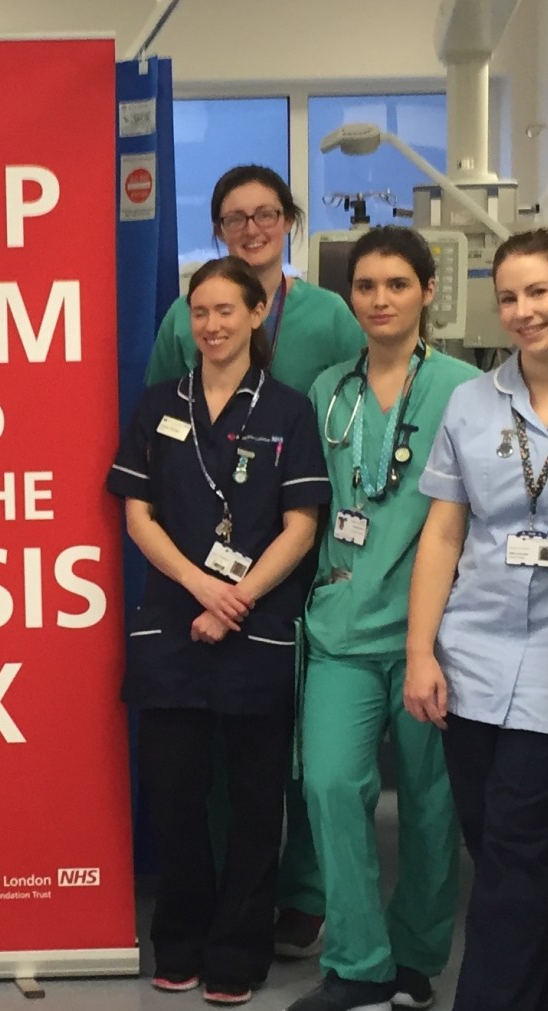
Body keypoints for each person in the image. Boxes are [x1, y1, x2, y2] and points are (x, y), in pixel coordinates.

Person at [143, 163, 359, 957]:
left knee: (295, 742)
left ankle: (300, 890)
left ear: (290, 221)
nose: (252, 228)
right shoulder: (183, 316)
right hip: (205, 558)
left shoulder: (329, 316)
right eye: (235, 217)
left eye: (266, 214)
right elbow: (164, 424)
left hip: (300, 541)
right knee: (220, 738)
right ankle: (228, 900)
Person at [406, 228, 548, 1011]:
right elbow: (443, 533)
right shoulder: (471, 404)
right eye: (510, 297)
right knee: (498, 850)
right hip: (474, 648)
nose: (522, 312)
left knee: (518, 848)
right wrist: (422, 651)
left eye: (539, 294)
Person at [111, 256, 326, 1005]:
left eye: (227, 310)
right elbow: (137, 513)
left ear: (258, 313)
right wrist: (202, 585)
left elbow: (302, 525)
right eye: (200, 311)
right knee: (176, 795)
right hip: (174, 621)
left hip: (257, 628)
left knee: (255, 800)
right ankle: (180, 940)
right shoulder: (157, 406)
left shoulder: (289, 412)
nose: (212, 324)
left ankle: (239, 949)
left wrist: (238, 597)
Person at [281, 227, 474, 1011]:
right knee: (329, 784)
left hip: (438, 633)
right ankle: (355, 965)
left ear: (429, 291)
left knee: (432, 804)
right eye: (366, 286)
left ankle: (415, 955)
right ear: (350, 297)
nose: (381, 298)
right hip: (342, 627)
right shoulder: (327, 390)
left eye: (398, 283)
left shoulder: (467, 391)